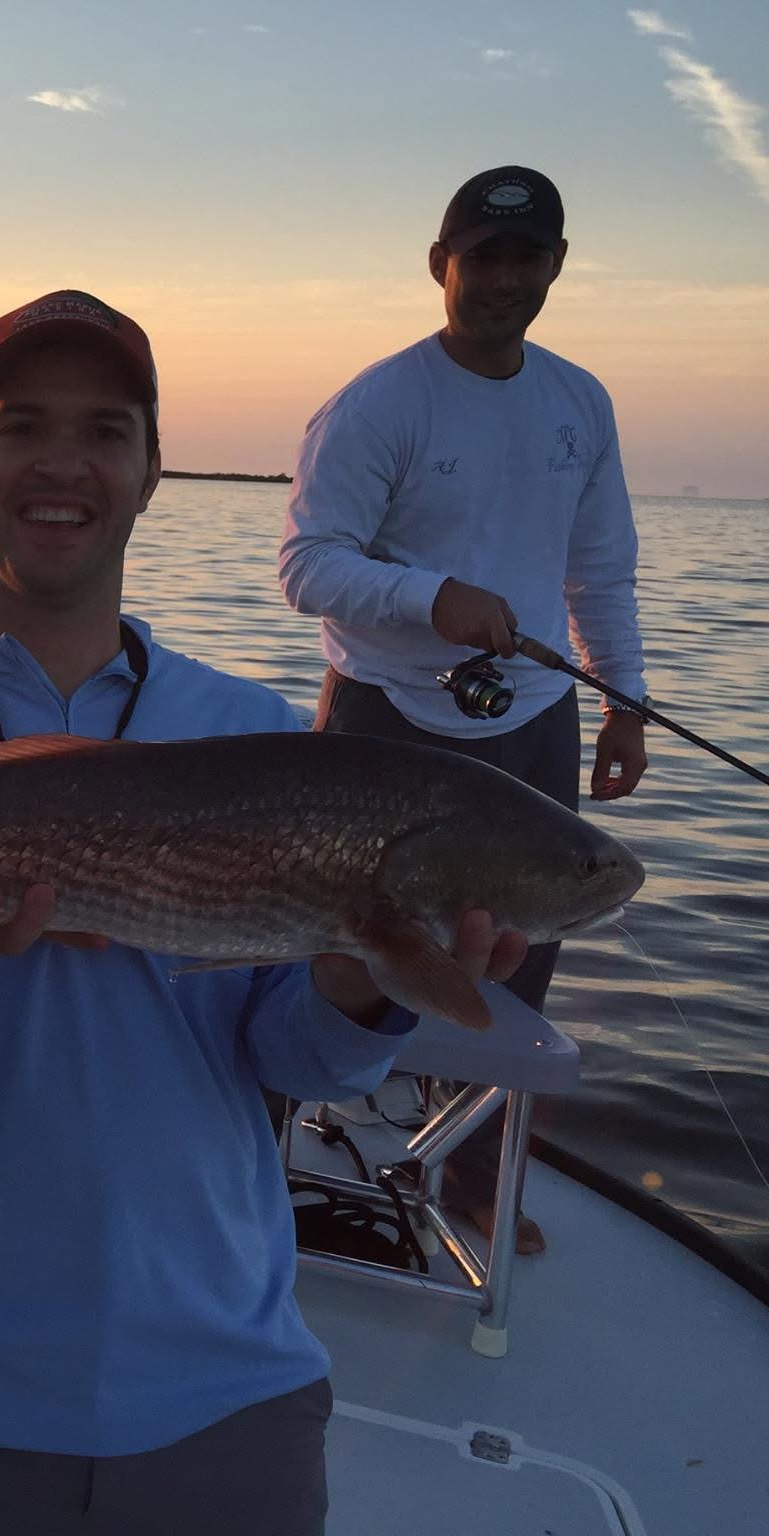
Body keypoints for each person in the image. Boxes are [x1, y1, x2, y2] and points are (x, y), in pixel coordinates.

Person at [0, 291, 526, 1535]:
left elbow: (286, 1054)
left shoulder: (255, 733)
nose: (63, 464)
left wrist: (372, 972)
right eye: (22, 426)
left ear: (151, 474)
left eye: (105, 431)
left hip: (215, 1394)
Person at [278, 166, 649, 1252]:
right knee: (318, 944)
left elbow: (600, 569)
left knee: (518, 960)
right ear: (439, 264)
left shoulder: (579, 402)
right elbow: (306, 565)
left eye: (523, 257)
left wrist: (622, 702)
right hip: (381, 714)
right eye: (479, 257)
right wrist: (429, 598)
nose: (500, 278)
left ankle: (479, 1173)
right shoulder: (378, 402)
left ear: (553, 267)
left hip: (531, 719)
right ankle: (262, 1140)